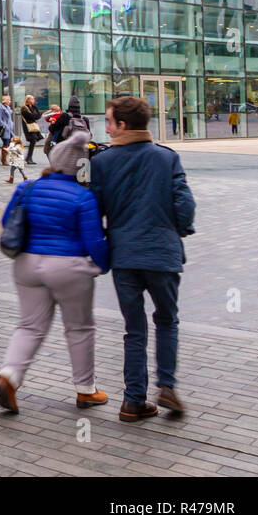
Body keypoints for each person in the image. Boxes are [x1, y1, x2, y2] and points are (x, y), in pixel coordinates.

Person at [90, 96, 196, 424]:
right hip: (162, 254)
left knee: (134, 329)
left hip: (124, 256)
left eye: (108, 122)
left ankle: (133, 400)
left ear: (122, 125)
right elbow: (185, 205)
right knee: (166, 320)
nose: (105, 128)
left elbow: (95, 211)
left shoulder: (103, 163)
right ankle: (166, 385)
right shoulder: (167, 158)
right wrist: (178, 229)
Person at [0, 129, 111, 414]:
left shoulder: (26, 188)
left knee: (29, 326)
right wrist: (104, 265)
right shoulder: (84, 198)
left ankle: (9, 376)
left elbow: (8, 220)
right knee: (79, 328)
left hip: (26, 265)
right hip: (69, 268)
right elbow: (94, 241)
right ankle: (86, 390)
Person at [19, 94, 43, 165]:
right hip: (28, 126)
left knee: (33, 141)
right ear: (28, 100)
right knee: (32, 140)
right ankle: (29, 158)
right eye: (32, 99)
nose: (33, 100)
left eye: (33, 99)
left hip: (33, 126)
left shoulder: (34, 107)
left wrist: (36, 115)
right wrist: (36, 115)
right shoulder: (24, 108)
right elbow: (32, 116)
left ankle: (29, 157)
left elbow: (37, 116)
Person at [0, 94, 15, 165]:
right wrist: (5, 125)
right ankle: (4, 159)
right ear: (5, 100)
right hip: (4, 129)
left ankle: (4, 157)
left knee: (9, 143)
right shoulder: (0, 108)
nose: (10, 101)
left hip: (9, 129)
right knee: (6, 143)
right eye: (9, 100)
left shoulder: (7, 107)